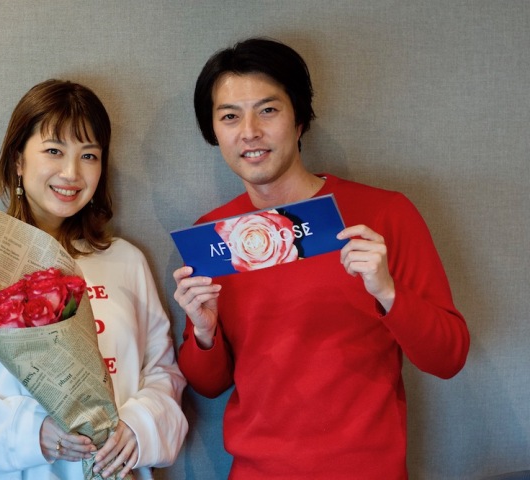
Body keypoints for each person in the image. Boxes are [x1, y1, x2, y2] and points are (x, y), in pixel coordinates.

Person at [173, 37, 470, 479]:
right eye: (230, 116)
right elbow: (209, 385)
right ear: (213, 131)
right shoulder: (214, 235)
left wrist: (388, 293)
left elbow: (449, 358)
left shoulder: (383, 214)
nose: (249, 131)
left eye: (268, 110)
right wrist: (203, 333)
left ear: (299, 120)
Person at [0, 79, 188, 480]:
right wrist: (31, 433)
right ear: (18, 161)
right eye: (54, 151)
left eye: (89, 155)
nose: (72, 173)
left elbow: (162, 373)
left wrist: (138, 426)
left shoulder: (126, 262)